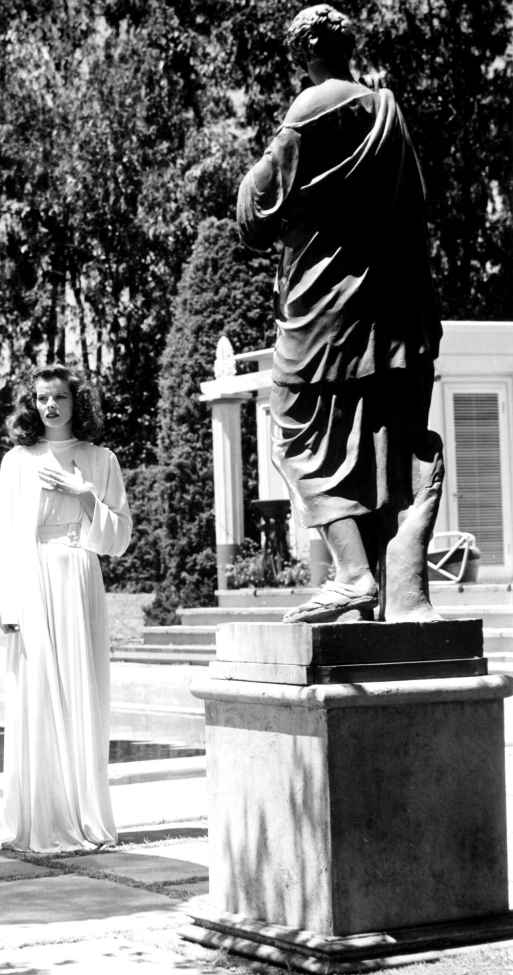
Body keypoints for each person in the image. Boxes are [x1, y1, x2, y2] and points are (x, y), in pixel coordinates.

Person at [236, 4, 443, 623]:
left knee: (294, 427)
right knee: (377, 447)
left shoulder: (308, 110)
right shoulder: (387, 111)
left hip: (324, 309)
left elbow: (255, 215)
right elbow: (417, 209)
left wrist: (255, 178)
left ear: (304, 53)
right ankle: (392, 593)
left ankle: (354, 576)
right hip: (390, 313)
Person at [0, 365, 132, 852]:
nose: (50, 406)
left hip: (79, 576)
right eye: (42, 398)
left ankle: (85, 816)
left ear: (77, 403)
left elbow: (119, 539)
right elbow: (6, 538)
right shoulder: (16, 461)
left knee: (81, 692)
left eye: (60, 398)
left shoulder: (100, 460)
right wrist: (4, 609)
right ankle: (38, 817)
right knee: (35, 696)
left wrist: (85, 495)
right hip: (32, 582)